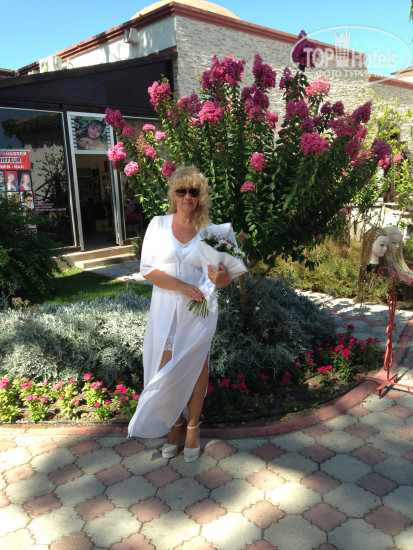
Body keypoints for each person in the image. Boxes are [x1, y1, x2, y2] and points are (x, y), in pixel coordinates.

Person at [128, 165, 239, 462]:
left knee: (196, 366)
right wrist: (180, 285)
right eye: (182, 190)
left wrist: (222, 278)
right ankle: (175, 425)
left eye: (194, 191)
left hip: (198, 309)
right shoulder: (158, 224)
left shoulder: (212, 231)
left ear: (201, 196)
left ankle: (192, 427)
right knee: (166, 366)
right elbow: (147, 269)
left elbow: (227, 276)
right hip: (166, 308)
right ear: (173, 194)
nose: (188, 196)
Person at [357, 226, 389, 302]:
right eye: (382, 245)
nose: (385, 249)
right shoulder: (366, 264)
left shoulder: (383, 266)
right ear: (370, 244)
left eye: (386, 245)